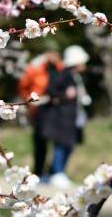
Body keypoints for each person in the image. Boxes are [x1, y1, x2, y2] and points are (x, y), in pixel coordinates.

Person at [40, 45, 90, 188]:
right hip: (62, 118)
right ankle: (57, 172)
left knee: (68, 145)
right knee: (62, 145)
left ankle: (53, 173)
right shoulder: (65, 74)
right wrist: (65, 95)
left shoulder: (75, 76)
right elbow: (51, 91)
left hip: (72, 117)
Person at [17, 50, 62, 179]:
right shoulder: (37, 69)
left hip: (56, 110)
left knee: (56, 142)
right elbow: (23, 84)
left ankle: (52, 171)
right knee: (40, 141)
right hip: (40, 109)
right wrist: (28, 101)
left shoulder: (60, 68)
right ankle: (38, 171)